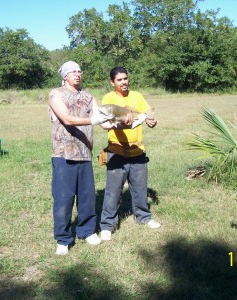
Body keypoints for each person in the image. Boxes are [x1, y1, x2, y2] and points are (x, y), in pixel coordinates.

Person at [48, 61, 109, 255]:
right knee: (63, 199)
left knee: (87, 197)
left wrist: (128, 121)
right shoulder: (56, 94)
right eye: (72, 71)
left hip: (85, 154)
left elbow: (104, 122)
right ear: (65, 76)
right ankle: (63, 239)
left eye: (79, 70)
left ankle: (87, 231)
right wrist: (93, 120)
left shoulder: (89, 97)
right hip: (63, 154)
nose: (77, 74)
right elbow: (66, 119)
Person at [99, 66, 161, 242]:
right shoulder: (108, 98)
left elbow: (147, 113)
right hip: (116, 150)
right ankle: (107, 225)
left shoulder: (137, 96)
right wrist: (122, 123)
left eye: (125, 78)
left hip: (137, 150)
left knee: (140, 187)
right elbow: (105, 122)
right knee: (113, 190)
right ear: (112, 82)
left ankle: (143, 217)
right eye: (119, 80)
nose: (124, 82)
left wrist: (151, 120)